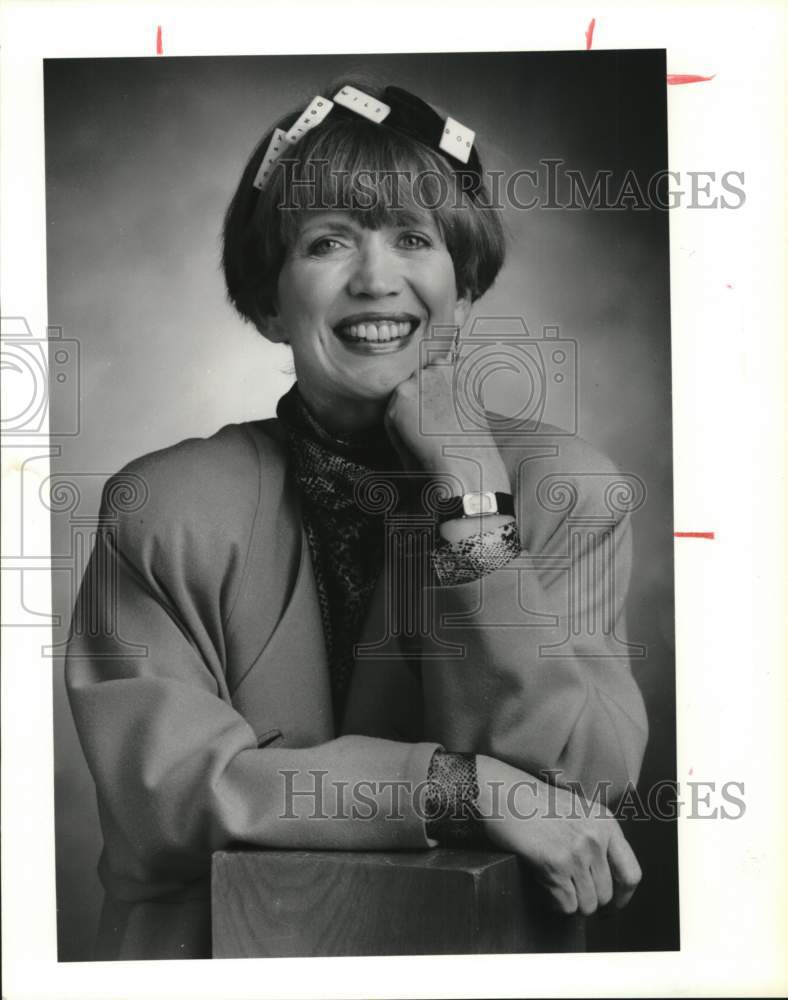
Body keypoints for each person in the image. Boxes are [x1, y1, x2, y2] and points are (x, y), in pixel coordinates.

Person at [65, 79, 649, 961]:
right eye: (328, 241)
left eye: (413, 237)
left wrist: (474, 504)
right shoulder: (161, 507)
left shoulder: (570, 490)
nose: (376, 280)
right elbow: (175, 798)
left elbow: (579, 782)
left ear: (464, 288)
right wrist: (454, 790)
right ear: (269, 302)